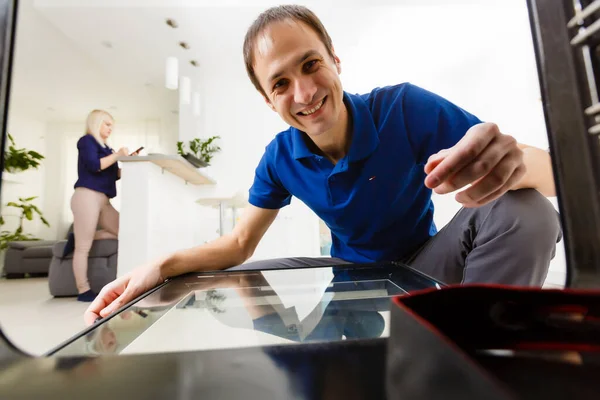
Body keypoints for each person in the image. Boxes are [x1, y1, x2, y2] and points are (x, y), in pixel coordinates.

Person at [85, 5, 561, 322]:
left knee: (527, 210)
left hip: (421, 263)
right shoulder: (278, 157)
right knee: (229, 276)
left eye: (311, 65)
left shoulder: (404, 108)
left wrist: (513, 160)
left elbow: (555, 180)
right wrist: (160, 265)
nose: (305, 93)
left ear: (334, 60)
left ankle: (475, 349)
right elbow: (238, 243)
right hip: (346, 274)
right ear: (268, 100)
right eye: (281, 83)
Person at [66, 109, 139, 302]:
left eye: (111, 126)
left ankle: (77, 237)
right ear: (95, 123)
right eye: (107, 124)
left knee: (124, 231)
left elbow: (113, 174)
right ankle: (83, 290)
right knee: (84, 247)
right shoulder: (87, 141)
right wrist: (117, 156)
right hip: (86, 196)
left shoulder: (107, 148)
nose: (110, 129)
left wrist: (129, 161)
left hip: (104, 199)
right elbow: (94, 165)